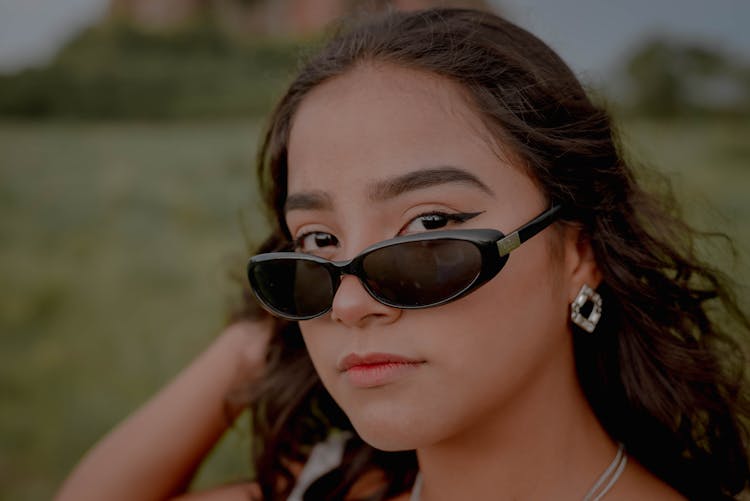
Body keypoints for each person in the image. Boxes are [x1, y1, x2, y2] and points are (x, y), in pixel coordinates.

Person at [56, 7, 750, 501]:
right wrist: (252, 342)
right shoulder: (333, 485)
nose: (351, 303)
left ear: (579, 252)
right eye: (318, 242)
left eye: (428, 224)